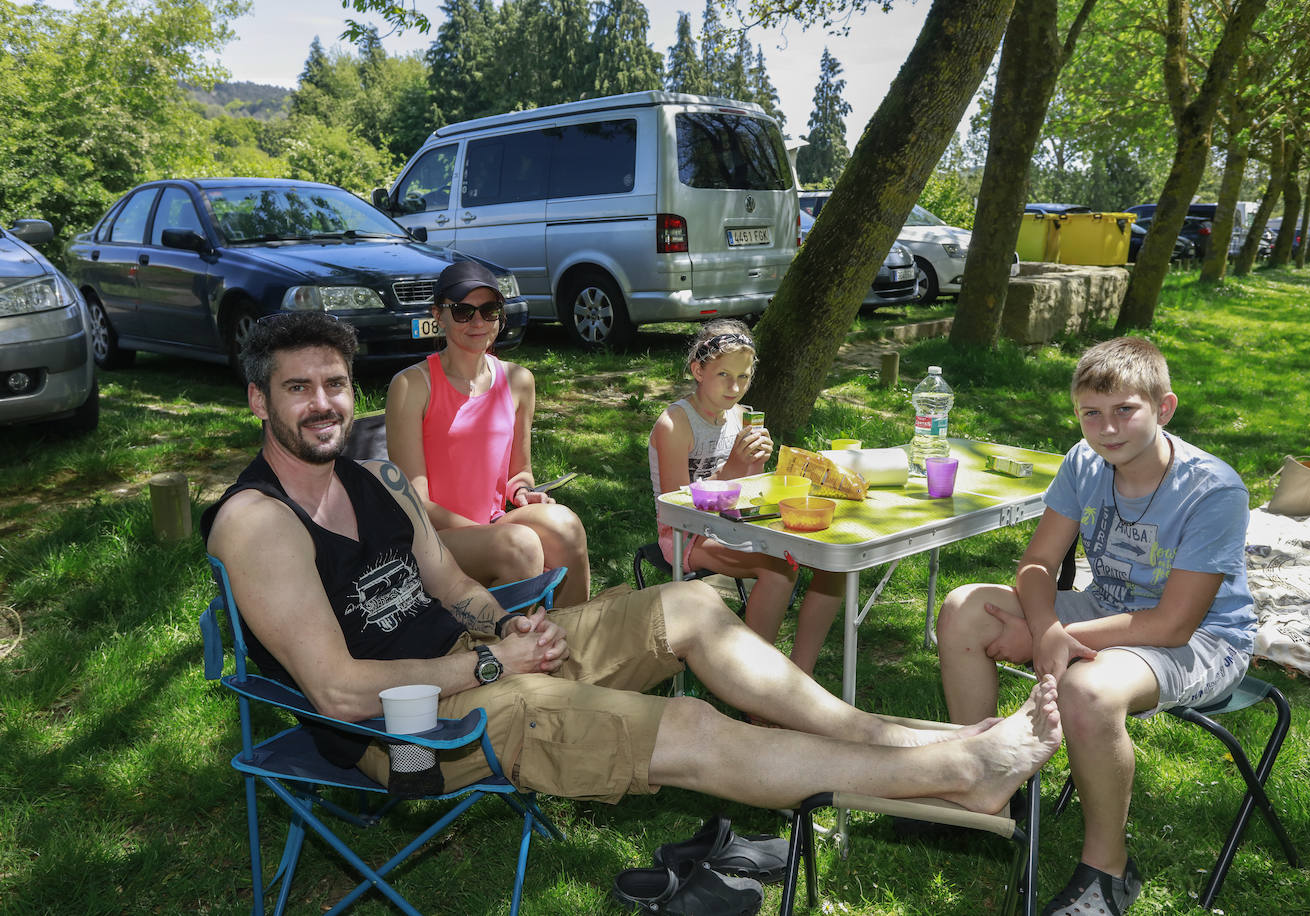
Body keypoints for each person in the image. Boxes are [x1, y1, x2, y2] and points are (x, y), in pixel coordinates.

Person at [203, 310, 1063, 820]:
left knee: (688, 605)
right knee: (684, 733)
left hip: (482, 663)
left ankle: (908, 736)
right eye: (298, 389)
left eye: (334, 385)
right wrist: (491, 660)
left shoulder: (372, 473)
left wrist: (505, 620)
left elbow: (451, 582)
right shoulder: (257, 524)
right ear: (257, 401)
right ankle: (959, 773)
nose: (323, 404)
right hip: (409, 730)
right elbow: (340, 694)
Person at [935, 337, 1256, 916]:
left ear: (1164, 407)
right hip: (1106, 604)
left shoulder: (1214, 489)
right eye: (1091, 413)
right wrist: (1045, 625)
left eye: (1124, 410)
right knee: (963, 607)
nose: (1107, 428)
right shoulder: (1084, 462)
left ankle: (1108, 869)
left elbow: (1175, 623)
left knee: (1086, 691)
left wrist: (1056, 637)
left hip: (1205, 639)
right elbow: (1036, 564)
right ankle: (986, 788)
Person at [385, 261, 590, 604]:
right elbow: (413, 502)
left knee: (564, 525)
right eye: (463, 311)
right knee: (519, 545)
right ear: (439, 314)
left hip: (493, 524)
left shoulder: (518, 381)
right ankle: (513, 650)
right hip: (429, 537)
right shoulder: (411, 385)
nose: (478, 322)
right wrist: (489, 532)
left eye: (489, 310)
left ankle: (577, 643)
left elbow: (519, 473)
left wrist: (523, 491)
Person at [648, 320, 843, 676]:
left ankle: (801, 675)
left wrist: (759, 466)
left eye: (744, 376)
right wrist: (734, 469)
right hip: (686, 537)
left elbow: (748, 491)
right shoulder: (675, 424)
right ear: (698, 370)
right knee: (779, 569)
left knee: (833, 566)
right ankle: (755, 682)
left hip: (738, 523)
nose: (735, 387)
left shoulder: (742, 417)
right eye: (723, 374)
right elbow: (677, 509)